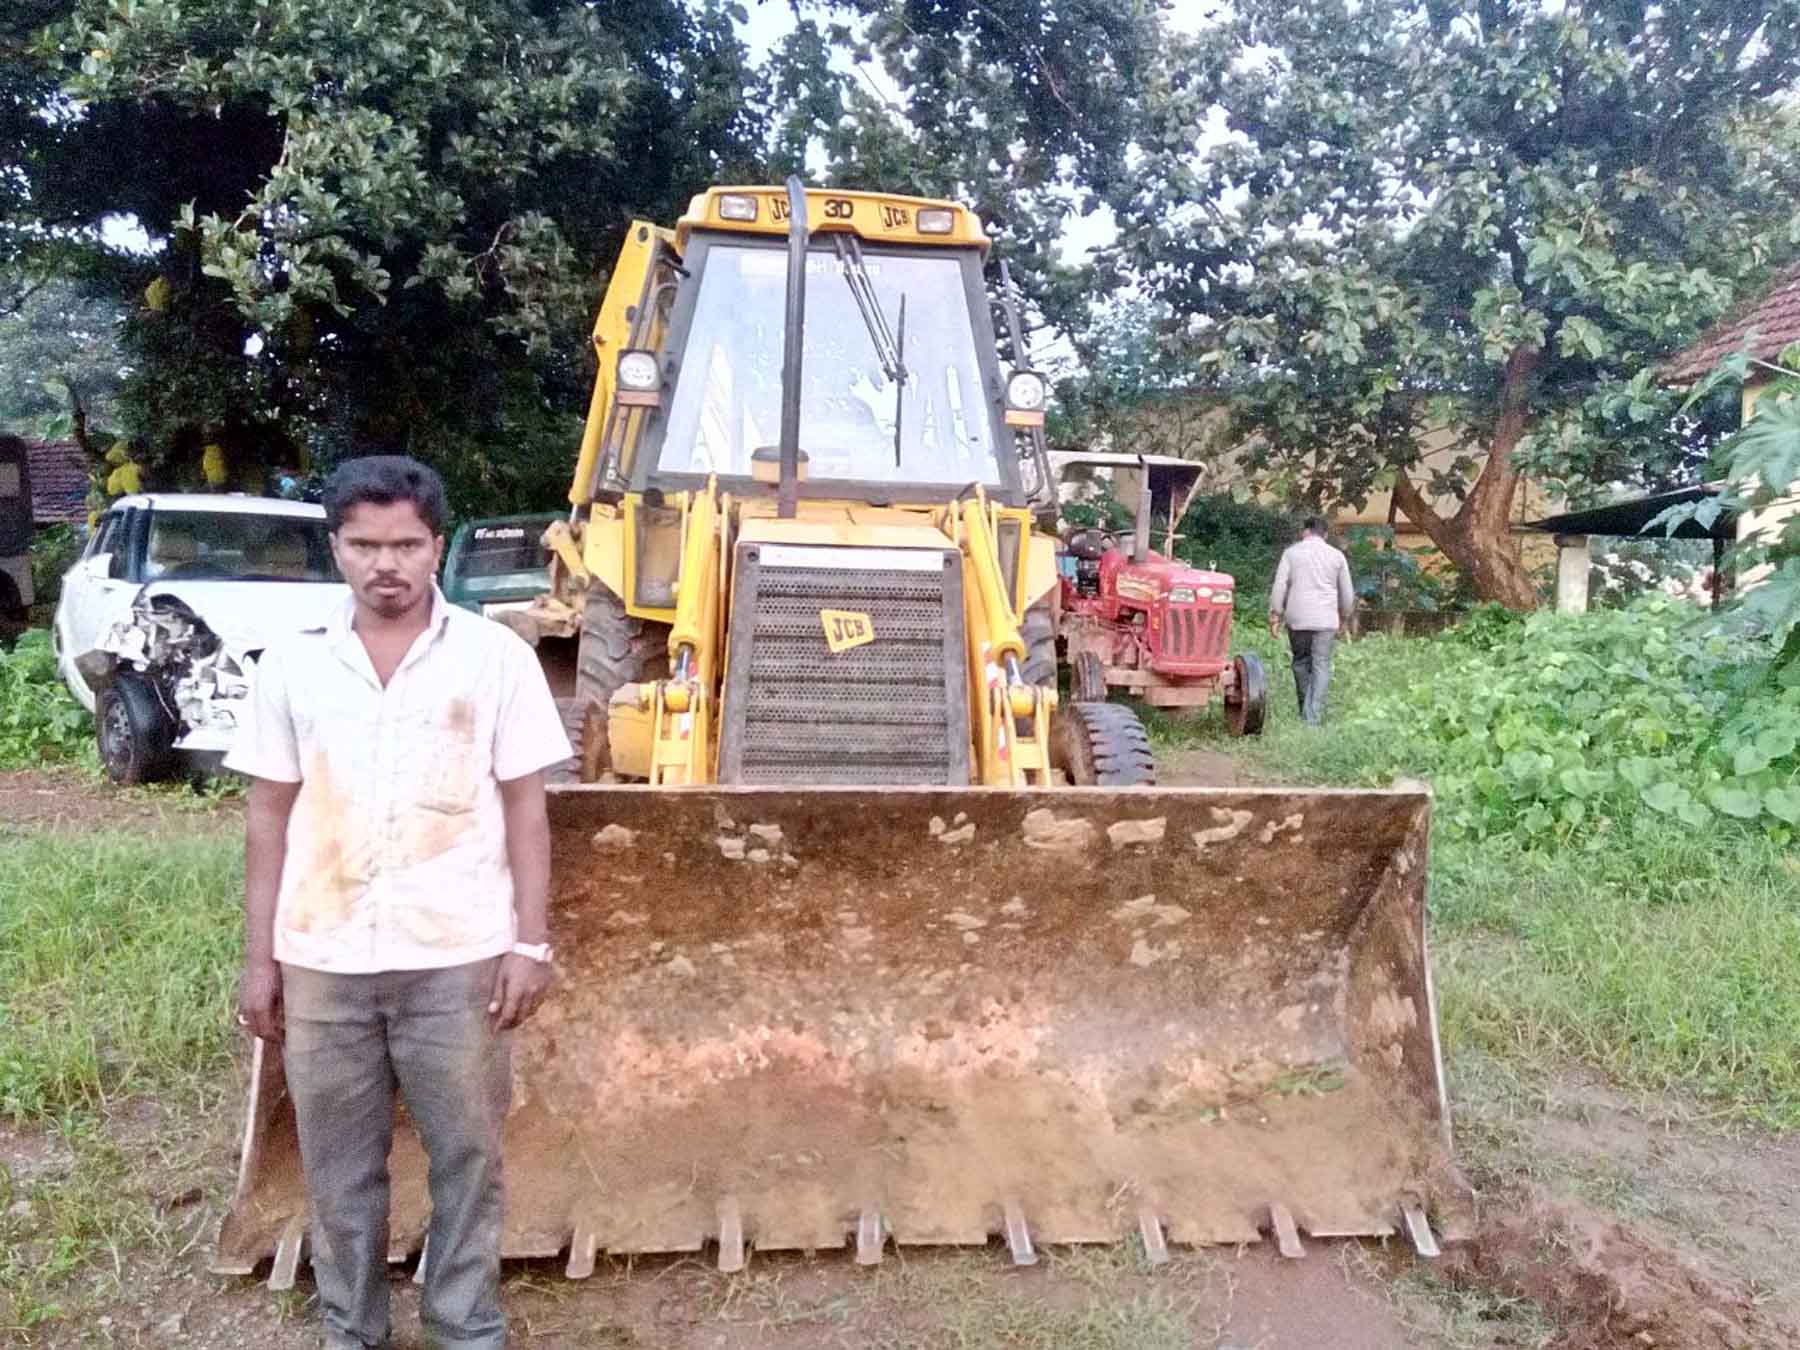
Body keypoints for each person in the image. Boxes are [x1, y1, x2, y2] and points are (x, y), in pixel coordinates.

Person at [228, 455, 572, 1350]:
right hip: (324, 959)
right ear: (335, 548)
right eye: (365, 545)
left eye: (407, 545)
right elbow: (268, 814)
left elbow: (526, 808)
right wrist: (260, 959)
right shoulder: (294, 664)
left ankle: (465, 1325)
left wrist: (529, 944)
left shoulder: (496, 658)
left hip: (457, 956)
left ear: (436, 547)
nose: (386, 564)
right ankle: (353, 1330)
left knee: (468, 1158)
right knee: (339, 1168)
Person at [1267, 515, 1356, 726]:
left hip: (1297, 618)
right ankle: (1312, 718)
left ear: (1304, 532)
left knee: (1300, 662)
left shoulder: (1291, 553)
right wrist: (1345, 616)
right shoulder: (1337, 556)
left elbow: (1279, 586)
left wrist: (1275, 614)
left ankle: (1305, 712)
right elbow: (1347, 593)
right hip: (1326, 619)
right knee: (1321, 664)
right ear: (1325, 534)